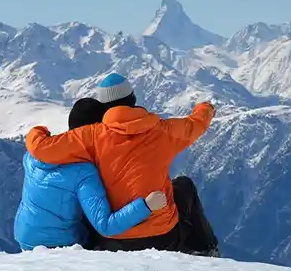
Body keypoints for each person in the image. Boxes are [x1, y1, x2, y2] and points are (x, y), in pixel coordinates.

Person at [24, 73, 220, 256]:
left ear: (104, 108)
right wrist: (206, 108)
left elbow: (41, 148)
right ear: (133, 99)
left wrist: (39, 129)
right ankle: (207, 248)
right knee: (183, 185)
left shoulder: (90, 136)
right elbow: (196, 123)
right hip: (164, 236)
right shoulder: (163, 130)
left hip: (114, 241)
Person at [14, 97, 169, 251]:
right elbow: (105, 226)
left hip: (24, 238)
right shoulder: (83, 172)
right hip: (59, 246)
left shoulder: (33, 156)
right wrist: (146, 205)